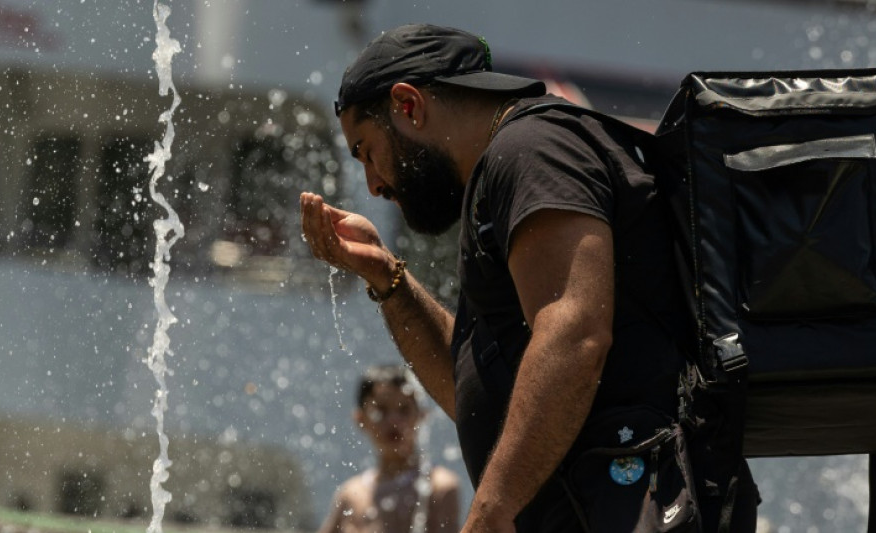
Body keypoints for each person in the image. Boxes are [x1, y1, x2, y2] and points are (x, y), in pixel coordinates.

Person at [300, 23, 758, 532]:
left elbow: (574, 336)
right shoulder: (501, 177)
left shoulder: (531, 150)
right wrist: (388, 278)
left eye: (367, 151)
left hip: (637, 507)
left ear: (408, 106)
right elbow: (470, 392)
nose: (373, 184)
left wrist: (490, 513)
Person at [318, 364, 460, 533]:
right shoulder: (350, 495)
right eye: (381, 410)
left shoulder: (438, 487)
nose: (393, 420)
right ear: (360, 419)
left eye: (404, 410)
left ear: (422, 415)